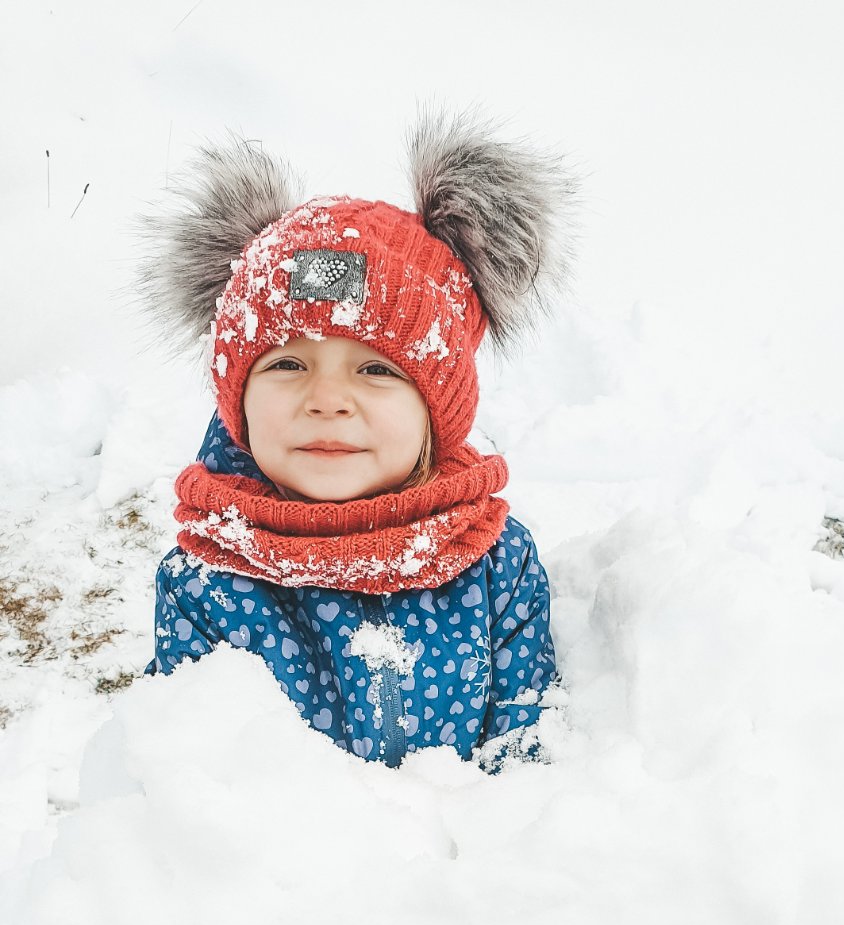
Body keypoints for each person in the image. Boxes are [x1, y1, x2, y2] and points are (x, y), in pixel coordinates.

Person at [140, 110, 575, 768]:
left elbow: (529, 746)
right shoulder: (208, 580)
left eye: (376, 370)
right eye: (288, 364)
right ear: (238, 403)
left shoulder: (493, 560)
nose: (327, 400)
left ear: (437, 410)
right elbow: (204, 783)